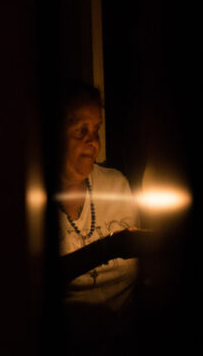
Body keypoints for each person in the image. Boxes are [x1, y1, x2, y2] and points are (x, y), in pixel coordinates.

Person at [56, 82, 154, 355]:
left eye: (96, 129)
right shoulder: (31, 200)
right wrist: (109, 248)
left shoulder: (116, 185)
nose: (94, 142)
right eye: (81, 131)